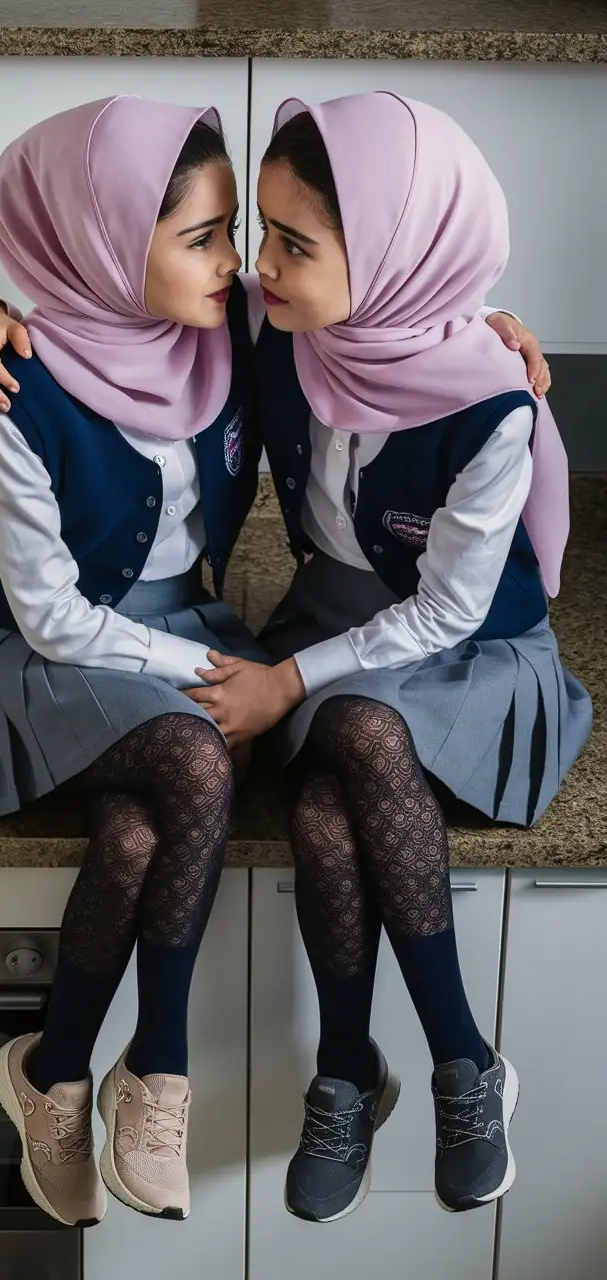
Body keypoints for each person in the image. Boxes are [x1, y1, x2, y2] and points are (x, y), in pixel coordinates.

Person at [179, 93, 592, 1222]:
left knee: (354, 738)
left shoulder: (489, 401)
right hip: (330, 614)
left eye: (292, 244)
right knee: (321, 810)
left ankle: (442, 1061)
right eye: (260, 233)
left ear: (402, 259)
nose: (258, 266)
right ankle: (372, 1068)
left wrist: (282, 683)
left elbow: (448, 610)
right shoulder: (281, 329)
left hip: (465, 646)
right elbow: (107, 303)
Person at [0, 93, 268, 1229]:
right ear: (111, 240)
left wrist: (497, 330)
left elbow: (386, 305)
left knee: (133, 828)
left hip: (174, 630)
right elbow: (56, 616)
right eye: (204, 235)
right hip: (44, 648)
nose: (236, 261)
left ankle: (54, 1071)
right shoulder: (16, 379)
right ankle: (156, 1072)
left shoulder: (232, 323)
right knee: (199, 756)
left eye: (233, 230)